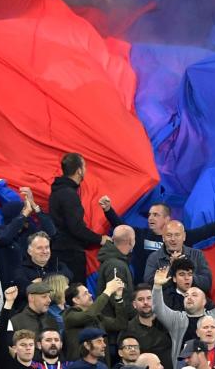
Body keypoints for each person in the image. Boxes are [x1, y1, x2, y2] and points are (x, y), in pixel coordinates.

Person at [153, 261, 215, 359]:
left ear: (204, 302)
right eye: (186, 296)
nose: (189, 298)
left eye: (194, 295)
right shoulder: (177, 319)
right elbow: (158, 309)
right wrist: (157, 286)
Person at [48, 153, 109, 282]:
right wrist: (100, 239)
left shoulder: (58, 192)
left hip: (60, 251)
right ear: (79, 171)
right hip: (70, 255)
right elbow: (76, 228)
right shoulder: (69, 194)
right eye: (85, 167)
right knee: (75, 295)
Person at [63, 277, 128, 363]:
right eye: (86, 293)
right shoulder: (69, 316)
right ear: (76, 300)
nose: (90, 295)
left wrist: (118, 297)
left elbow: (120, 324)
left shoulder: (97, 317)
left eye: (89, 292)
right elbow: (88, 315)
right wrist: (108, 290)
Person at [144, 221, 213, 293]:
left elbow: (207, 283)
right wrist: (172, 268)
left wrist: (185, 275)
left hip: (191, 302)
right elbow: (149, 286)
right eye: (169, 235)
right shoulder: (154, 258)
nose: (173, 239)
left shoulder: (197, 255)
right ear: (163, 238)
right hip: (166, 302)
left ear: (184, 236)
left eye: (177, 235)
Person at [126, 283, 175, 369]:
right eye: (141, 299)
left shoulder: (168, 321)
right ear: (134, 304)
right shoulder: (128, 329)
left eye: (149, 298)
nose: (145, 302)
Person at [96, 225, 135, 309]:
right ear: (131, 241)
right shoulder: (117, 265)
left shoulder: (114, 261)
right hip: (116, 320)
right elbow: (119, 300)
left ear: (113, 238)